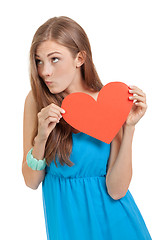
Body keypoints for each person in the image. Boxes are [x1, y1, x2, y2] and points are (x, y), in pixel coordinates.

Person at [22, 16, 152, 240]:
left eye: (54, 59)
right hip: (67, 228)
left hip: (118, 226)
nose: (45, 72)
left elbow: (116, 190)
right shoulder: (37, 101)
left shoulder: (110, 103)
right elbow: (31, 181)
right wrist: (41, 138)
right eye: (39, 61)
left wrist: (129, 128)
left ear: (79, 58)